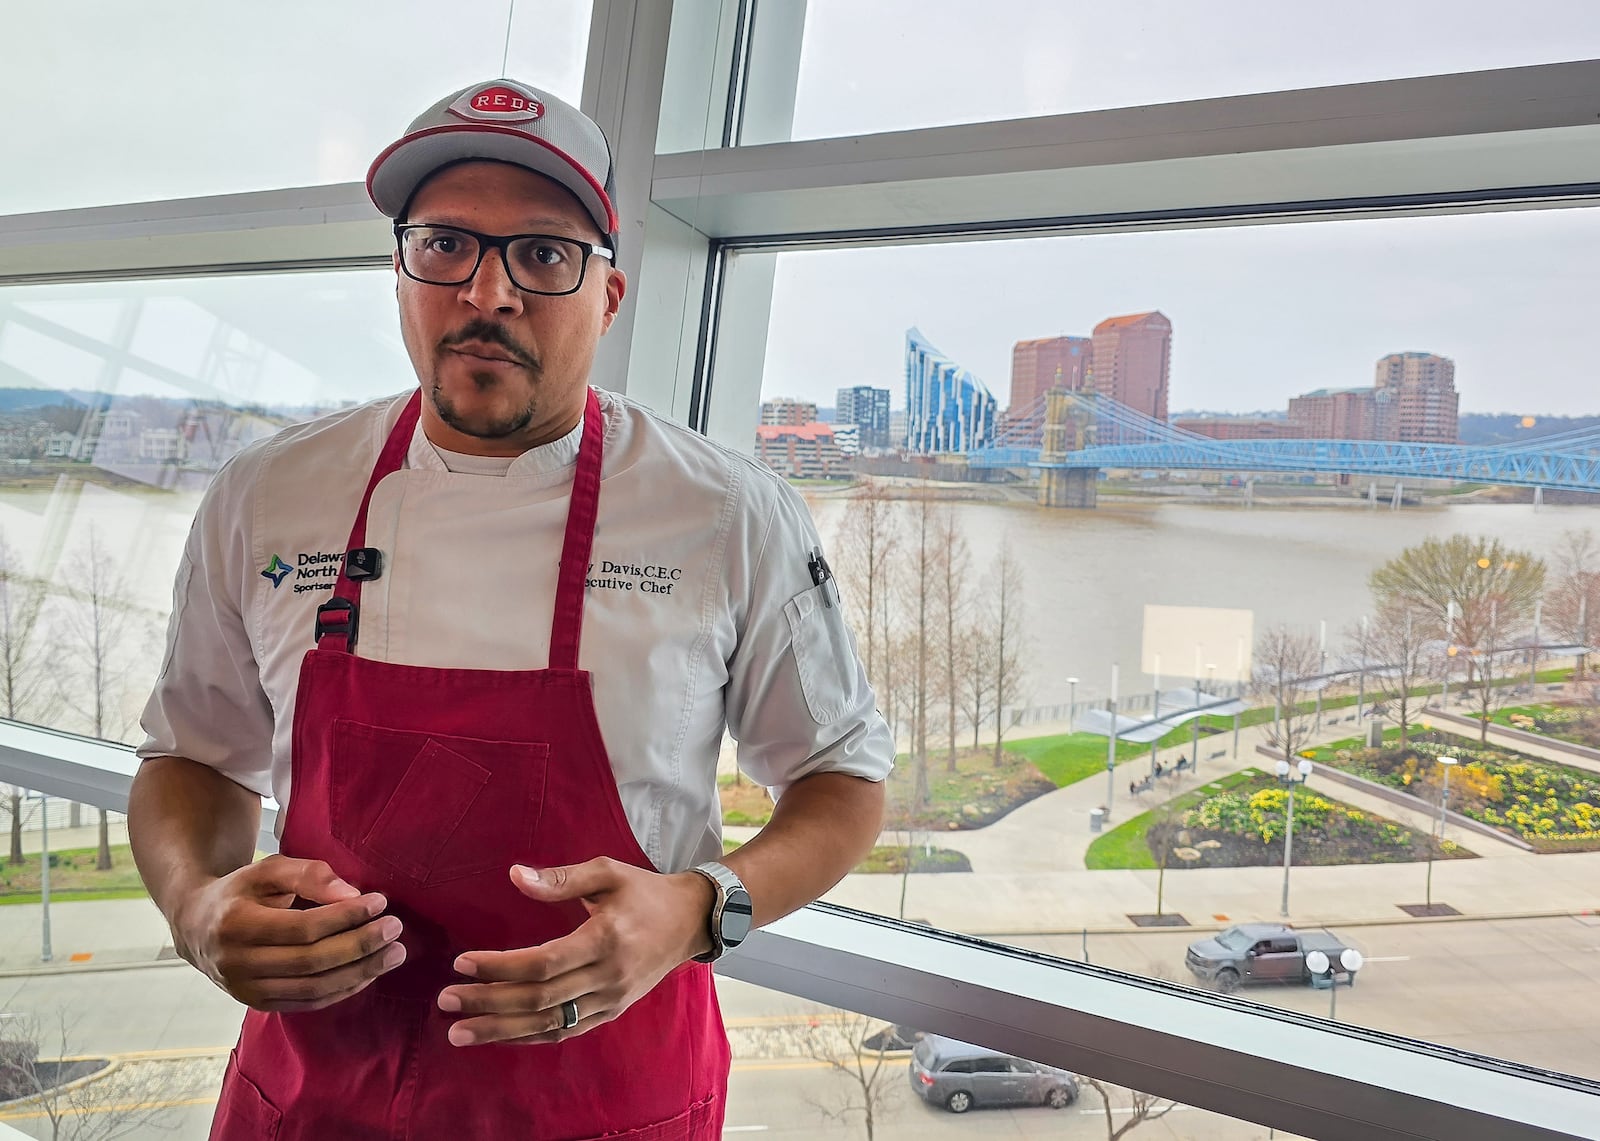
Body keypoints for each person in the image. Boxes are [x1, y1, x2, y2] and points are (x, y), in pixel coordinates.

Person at [127, 77, 892, 1140]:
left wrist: (698, 908)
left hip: (605, 1099)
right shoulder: (271, 492)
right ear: (402, 270)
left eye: (542, 254)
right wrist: (195, 907)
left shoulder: (726, 514)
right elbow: (193, 759)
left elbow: (841, 780)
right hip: (315, 1097)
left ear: (609, 297)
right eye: (445, 245)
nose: (487, 292)